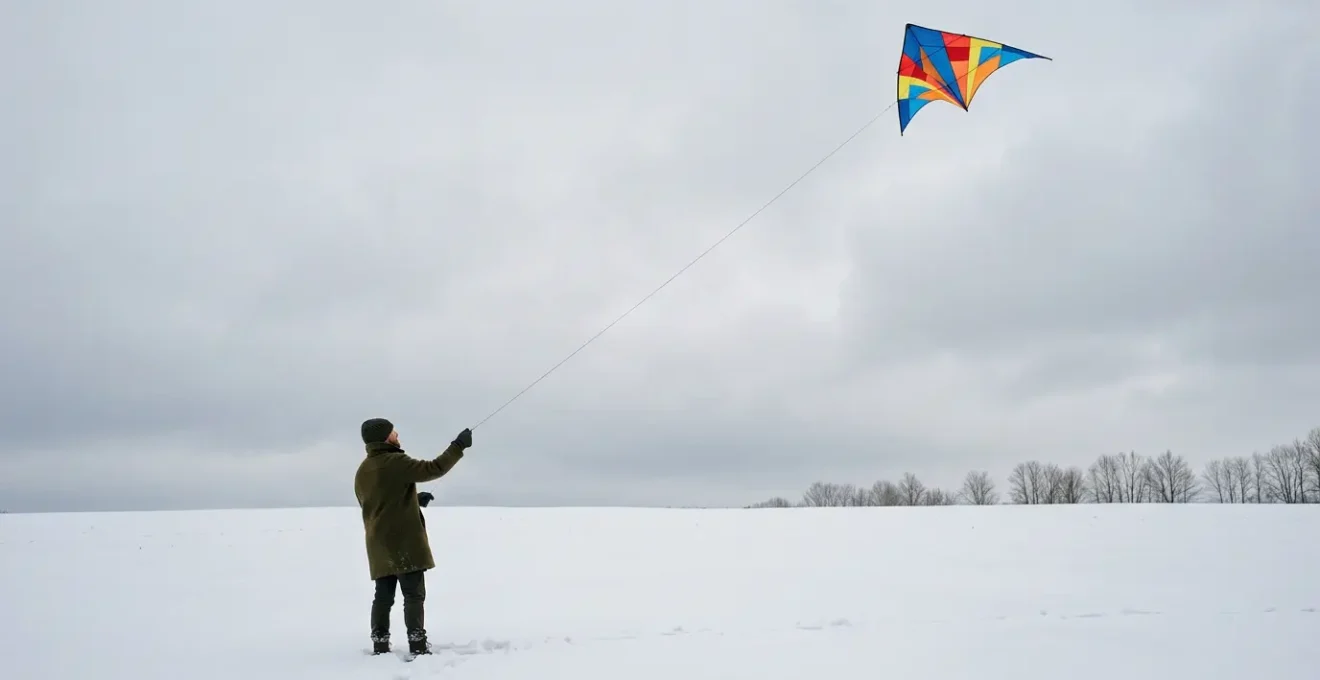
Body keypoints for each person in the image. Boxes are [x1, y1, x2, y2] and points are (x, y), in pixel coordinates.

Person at [354, 418, 472, 656]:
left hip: (378, 544)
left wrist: (414, 501)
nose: (397, 434)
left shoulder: (363, 470)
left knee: (383, 597)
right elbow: (434, 468)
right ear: (386, 437)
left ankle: (379, 644)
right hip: (404, 542)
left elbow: (378, 504)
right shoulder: (395, 461)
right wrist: (458, 446)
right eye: (393, 432)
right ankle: (417, 645)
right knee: (414, 595)